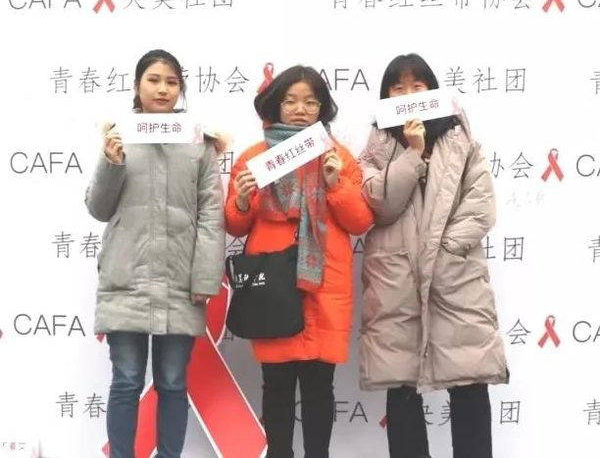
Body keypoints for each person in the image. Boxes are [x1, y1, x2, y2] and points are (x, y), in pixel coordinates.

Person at [358, 53, 508, 458]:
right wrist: (413, 153)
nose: (408, 94)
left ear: (433, 90)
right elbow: (381, 205)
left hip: (455, 277)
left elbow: (481, 204)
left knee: (469, 379)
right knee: (401, 384)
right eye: (398, 88)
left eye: (417, 86)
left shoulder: (461, 140)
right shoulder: (375, 148)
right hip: (396, 280)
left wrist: (447, 249)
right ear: (386, 96)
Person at [225, 65, 373, 458]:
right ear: (275, 105)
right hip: (273, 285)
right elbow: (235, 224)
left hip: (324, 284)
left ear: (322, 109)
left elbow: (360, 220)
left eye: (310, 102)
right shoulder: (255, 158)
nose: (300, 109)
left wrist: (335, 184)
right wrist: (242, 200)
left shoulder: (337, 157)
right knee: (275, 387)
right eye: (290, 101)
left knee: (319, 387)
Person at [85, 49, 225, 458]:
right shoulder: (120, 137)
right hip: (126, 278)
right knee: (126, 381)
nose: (163, 89)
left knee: (173, 382)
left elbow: (211, 214)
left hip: (179, 282)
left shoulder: (198, 144)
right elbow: (98, 209)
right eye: (154, 79)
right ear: (136, 86)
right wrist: (111, 162)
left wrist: (204, 278)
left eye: (172, 81)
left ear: (181, 88)